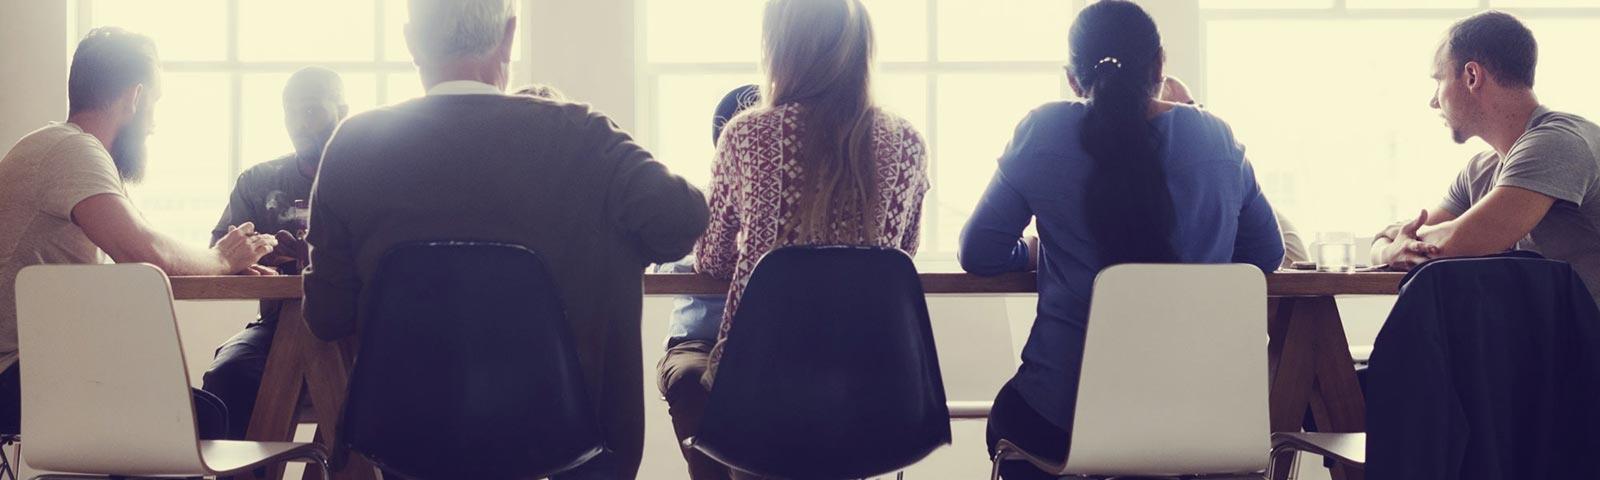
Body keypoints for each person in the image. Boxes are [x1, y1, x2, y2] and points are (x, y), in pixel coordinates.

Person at [301, 0, 709, 477]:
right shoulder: (584, 136)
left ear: (412, 42)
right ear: (509, 36)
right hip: (568, 441)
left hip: (409, 438)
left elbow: (327, 317)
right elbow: (682, 222)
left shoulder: (353, 145)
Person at [956, 2, 1283, 478]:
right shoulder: (1216, 139)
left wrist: (1032, 249)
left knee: (1013, 412)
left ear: (1072, 78)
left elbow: (979, 251)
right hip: (1197, 421)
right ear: (1160, 64)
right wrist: (1198, 256)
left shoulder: (1043, 131)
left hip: (1059, 420)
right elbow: (1266, 254)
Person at [0, 27, 276, 437]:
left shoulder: (61, 150)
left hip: (35, 374)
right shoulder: (73, 151)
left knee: (200, 409)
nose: (153, 124)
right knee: (204, 418)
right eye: (155, 104)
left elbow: (146, 242)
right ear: (135, 97)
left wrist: (219, 266)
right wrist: (222, 258)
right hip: (20, 379)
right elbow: (148, 253)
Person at [694, 0, 930, 389]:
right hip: (876, 382)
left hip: (760, 381)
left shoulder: (745, 136)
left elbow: (713, 259)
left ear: (779, 49)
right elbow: (903, 253)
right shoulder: (907, 143)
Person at [1372, 11, 1600, 305]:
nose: (1433, 101)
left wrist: (1399, 242)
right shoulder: (1480, 170)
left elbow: (1456, 241)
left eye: (1438, 80)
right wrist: (1389, 249)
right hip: (1536, 338)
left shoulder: (1559, 142)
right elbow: (1399, 239)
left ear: (1472, 76)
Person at [200, 66, 348, 440]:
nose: (299, 122)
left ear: (342, 112)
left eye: (312, 110)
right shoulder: (258, 181)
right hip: (276, 327)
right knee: (225, 376)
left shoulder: (365, 177)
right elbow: (217, 257)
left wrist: (318, 256)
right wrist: (259, 256)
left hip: (353, 329)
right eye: (290, 111)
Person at [657, 83, 759, 480]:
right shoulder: (693, 201)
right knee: (690, 378)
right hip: (699, 339)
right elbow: (665, 259)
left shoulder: (790, 204)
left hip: (768, 340)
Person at [1160, 75, 1309, 268]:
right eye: (1179, 109)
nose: (1190, 115)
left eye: (1194, 108)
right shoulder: (1217, 148)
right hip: (1219, 292)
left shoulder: (1224, 177)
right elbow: (1268, 253)